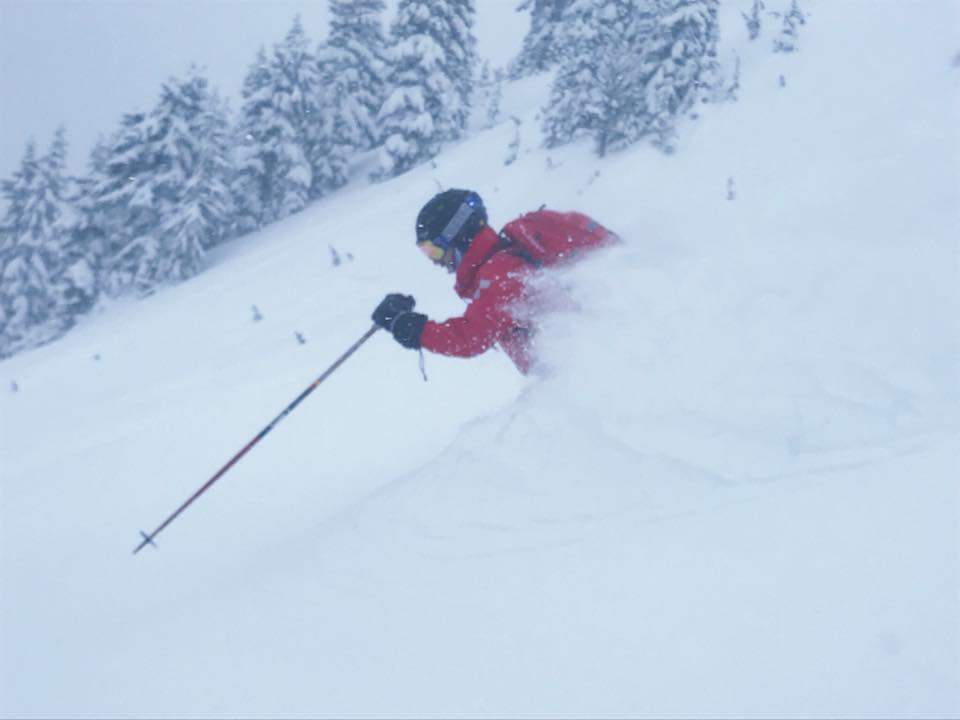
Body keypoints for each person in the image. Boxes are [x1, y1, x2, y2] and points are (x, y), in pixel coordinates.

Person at [371, 189, 615, 374]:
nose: (435, 261)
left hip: (588, 372)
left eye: (434, 250)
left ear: (457, 237)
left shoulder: (499, 274)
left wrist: (409, 327)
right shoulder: (503, 263)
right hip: (585, 368)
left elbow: (470, 337)